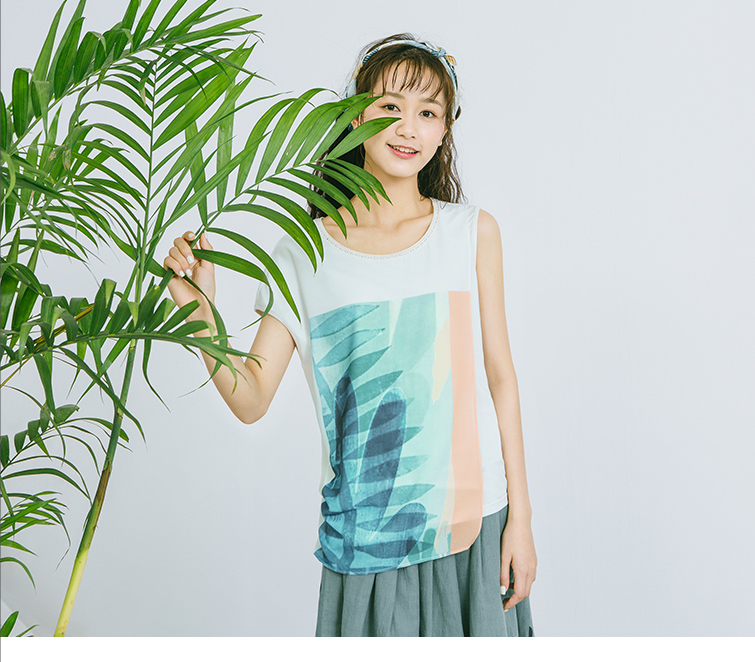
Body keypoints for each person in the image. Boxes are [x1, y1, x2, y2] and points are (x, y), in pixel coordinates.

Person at [163, 34, 537, 637]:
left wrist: (521, 519)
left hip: (475, 527)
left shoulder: (471, 233)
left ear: (444, 130)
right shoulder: (303, 253)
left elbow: (501, 378)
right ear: (356, 115)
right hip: (365, 538)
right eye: (390, 107)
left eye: (428, 112)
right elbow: (251, 398)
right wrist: (200, 310)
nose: (407, 128)